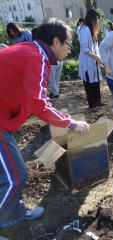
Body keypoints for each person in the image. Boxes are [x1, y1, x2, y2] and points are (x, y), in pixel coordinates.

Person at [0, 18, 90, 228]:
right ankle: (6, 218)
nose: (70, 50)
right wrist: (71, 123)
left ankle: (14, 210)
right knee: (15, 176)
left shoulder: (29, 51)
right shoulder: (37, 57)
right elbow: (38, 103)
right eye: (69, 44)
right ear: (56, 42)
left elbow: (32, 98)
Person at [79, 9, 104, 109]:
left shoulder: (92, 30)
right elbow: (85, 48)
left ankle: (98, 101)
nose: (97, 22)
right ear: (91, 19)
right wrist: (96, 57)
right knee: (89, 82)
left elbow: (95, 47)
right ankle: (92, 104)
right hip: (87, 61)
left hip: (93, 61)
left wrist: (99, 59)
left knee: (96, 81)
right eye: (96, 19)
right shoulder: (85, 30)